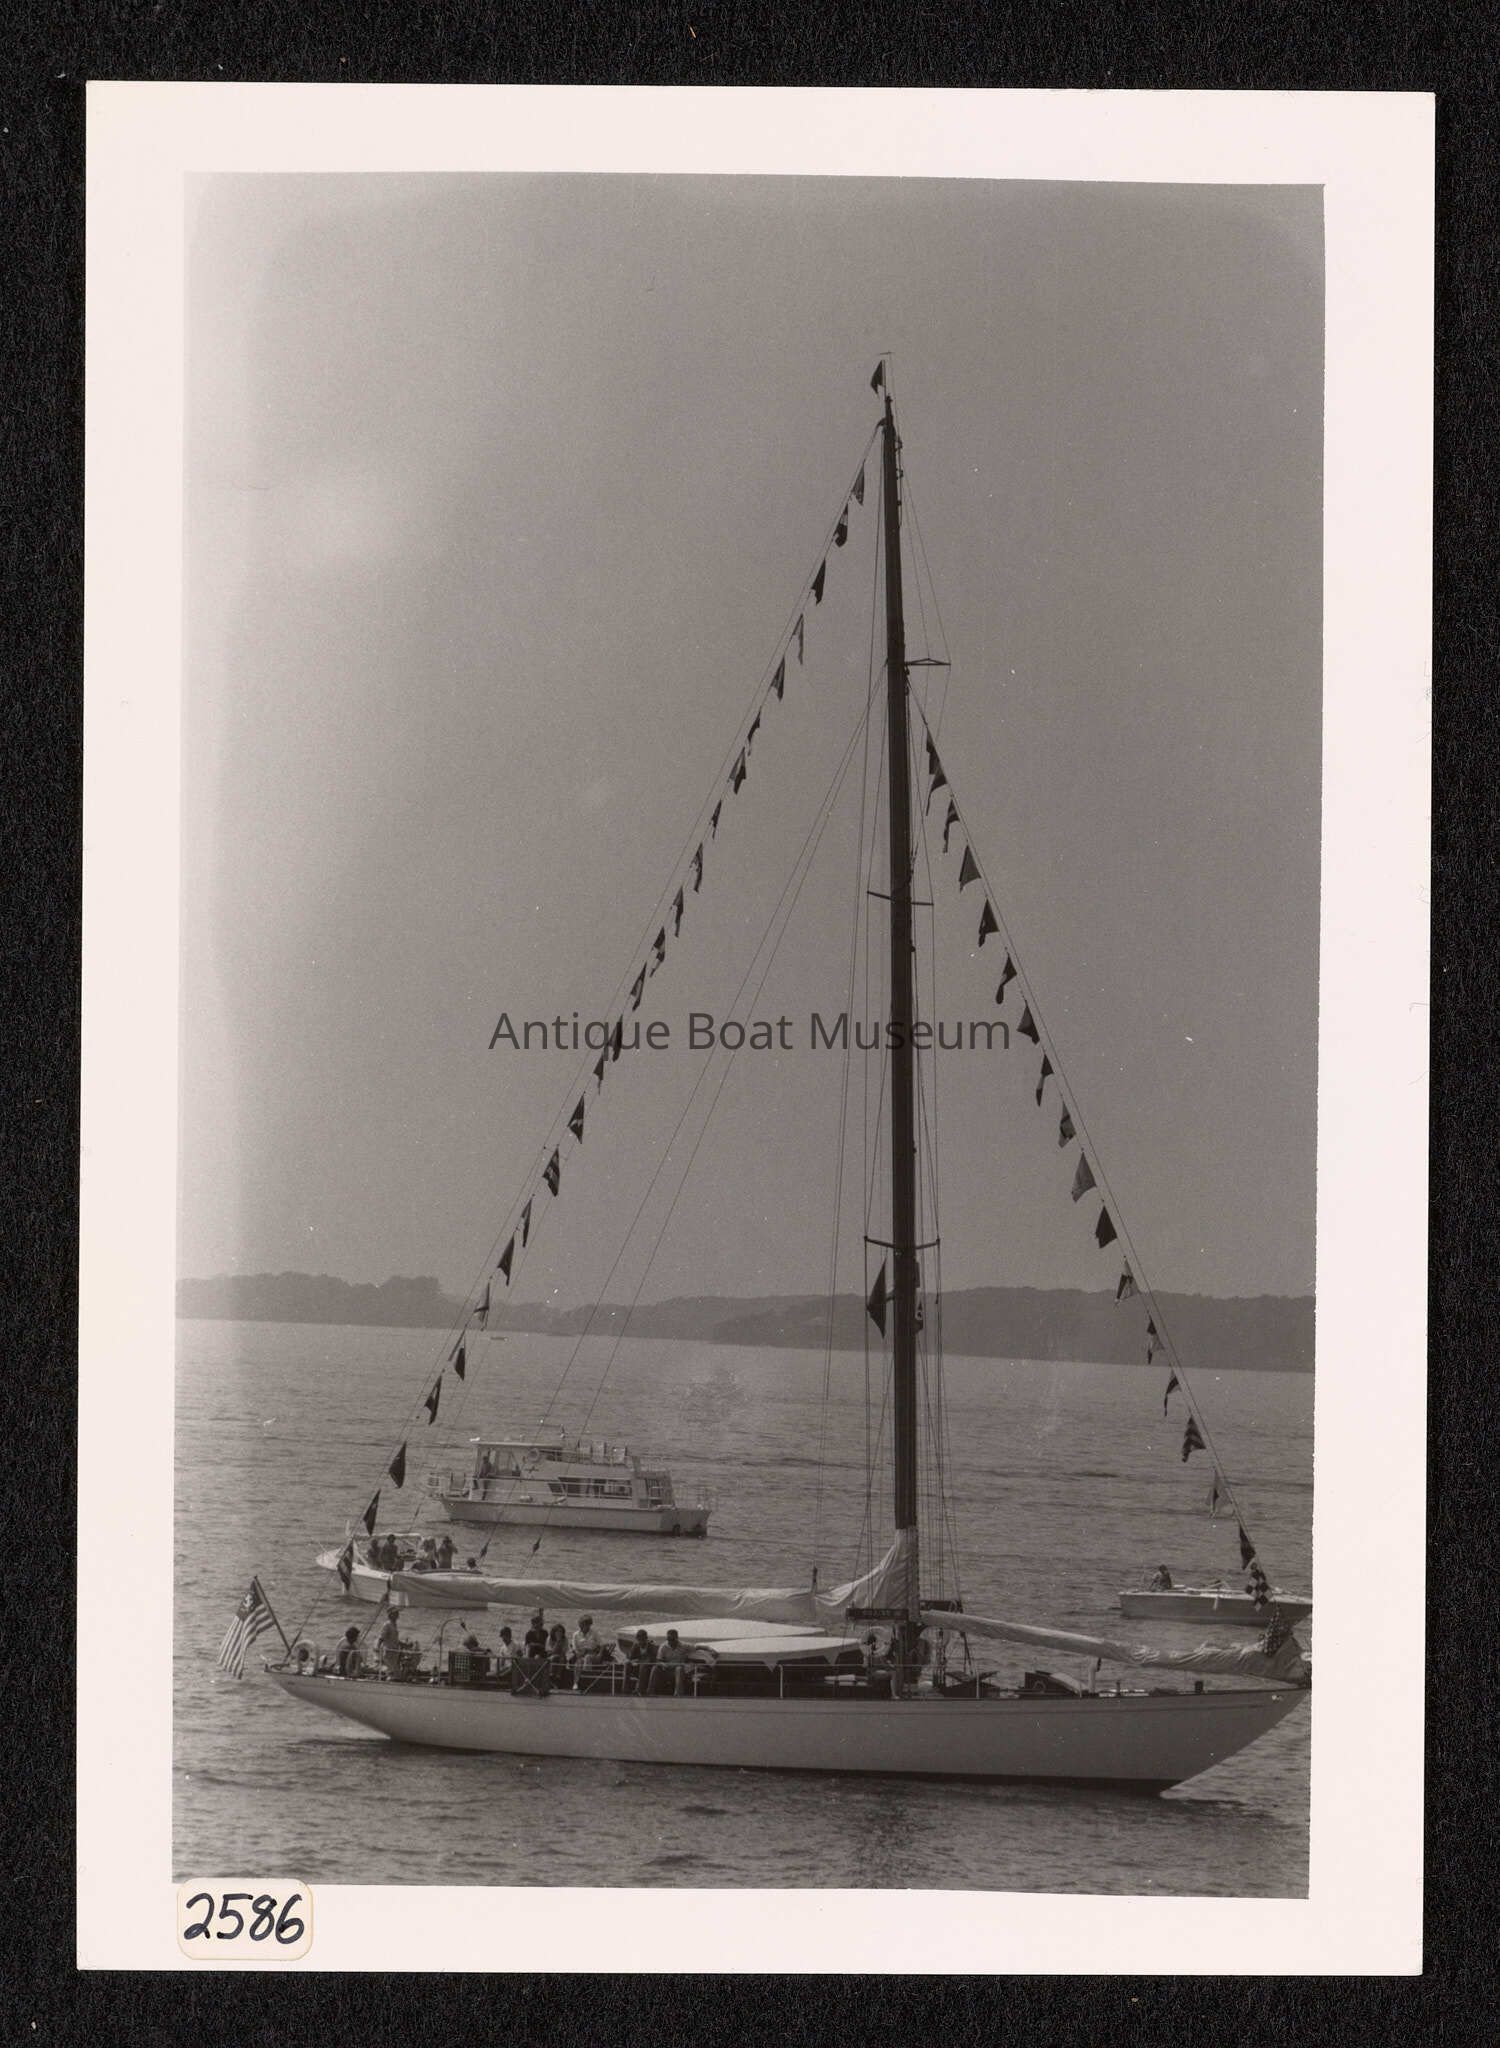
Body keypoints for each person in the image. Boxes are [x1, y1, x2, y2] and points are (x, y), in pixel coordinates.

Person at [650, 1628, 688, 1696]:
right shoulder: (663, 1646)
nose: (670, 1641)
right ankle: (650, 1691)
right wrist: (663, 1664)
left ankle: (678, 1693)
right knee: (655, 1668)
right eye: (668, 1639)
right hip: (666, 1670)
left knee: (679, 1669)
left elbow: (696, 1647)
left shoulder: (684, 1646)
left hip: (678, 1671)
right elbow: (658, 1660)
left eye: (672, 1639)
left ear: (677, 1638)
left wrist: (706, 1648)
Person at [626, 1629, 656, 1694]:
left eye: (642, 1639)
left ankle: (639, 1689)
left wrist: (640, 1660)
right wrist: (634, 1661)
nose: (640, 1642)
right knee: (627, 1664)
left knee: (643, 1666)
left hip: (649, 1668)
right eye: (639, 1639)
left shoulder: (651, 1646)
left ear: (646, 1639)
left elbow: (652, 1659)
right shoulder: (635, 1645)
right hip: (637, 1667)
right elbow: (630, 1658)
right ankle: (626, 1688)